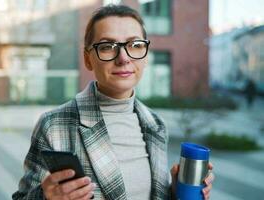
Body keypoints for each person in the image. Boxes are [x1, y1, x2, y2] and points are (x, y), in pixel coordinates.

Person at [12, 4, 214, 200]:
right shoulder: (54, 124)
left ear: (145, 56)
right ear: (88, 59)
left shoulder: (156, 124)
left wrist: (174, 193)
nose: (123, 58)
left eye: (135, 45)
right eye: (108, 46)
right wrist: (46, 197)